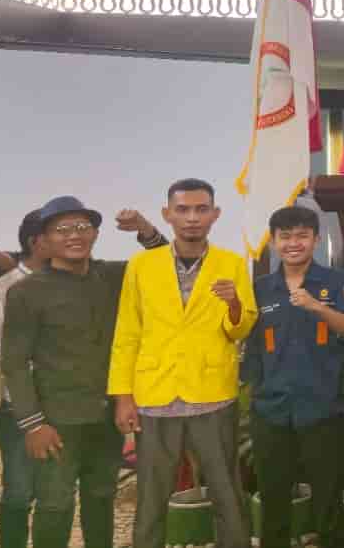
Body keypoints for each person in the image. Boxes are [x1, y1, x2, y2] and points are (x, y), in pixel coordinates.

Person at [2, 199, 165, 548]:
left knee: (101, 497)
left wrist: (144, 229)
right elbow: (14, 363)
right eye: (62, 229)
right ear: (44, 239)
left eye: (82, 227)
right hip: (56, 421)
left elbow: (164, 262)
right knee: (54, 504)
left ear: (95, 233)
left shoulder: (113, 276)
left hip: (107, 416)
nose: (74, 235)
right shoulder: (26, 292)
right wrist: (33, 424)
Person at [109, 179, 259, 548]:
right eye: (183, 209)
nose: (192, 217)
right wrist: (123, 396)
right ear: (168, 214)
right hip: (155, 396)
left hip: (213, 395)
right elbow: (127, 332)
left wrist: (234, 304)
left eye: (201, 209)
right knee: (151, 498)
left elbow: (239, 329)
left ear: (215, 214)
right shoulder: (142, 265)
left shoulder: (232, 263)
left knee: (227, 493)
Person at [243, 207, 344, 548]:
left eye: (302, 236)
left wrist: (317, 307)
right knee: (273, 497)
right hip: (271, 409)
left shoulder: (337, 282)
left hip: (322, 407)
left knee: (327, 496)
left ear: (316, 239)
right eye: (285, 237)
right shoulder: (261, 288)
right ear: (273, 242)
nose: (293, 243)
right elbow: (251, 346)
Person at [0, 210, 44, 548]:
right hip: (17, 407)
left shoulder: (74, 282)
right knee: (20, 489)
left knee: (52, 492)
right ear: (36, 241)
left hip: (62, 404)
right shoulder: (3, 289)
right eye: (58, 231)